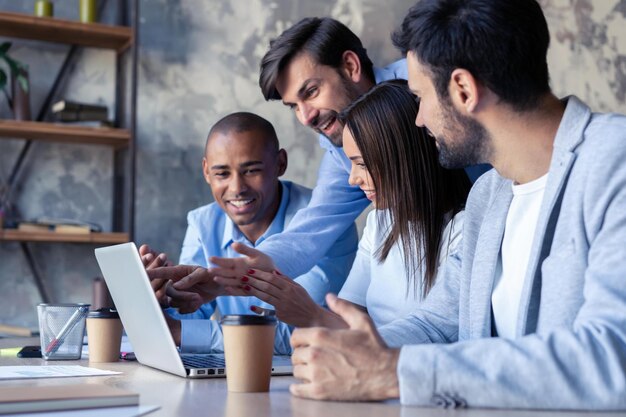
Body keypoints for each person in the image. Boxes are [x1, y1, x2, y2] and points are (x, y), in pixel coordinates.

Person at [281, 0, 626, 409]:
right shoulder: (488, 197)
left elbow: (612, 356)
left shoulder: (613, 162)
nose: (419, 120)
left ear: (463, 89)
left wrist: (392, 372)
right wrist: (348, 347)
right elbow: (438, 323)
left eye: (420, 96)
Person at [214, 81, 470, 330]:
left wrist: (314, 317)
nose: (352, 178)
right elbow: (348, 312)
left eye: (362, 163)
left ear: (402, 158)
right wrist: (300, 312)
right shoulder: (380, 223)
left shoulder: (464, 232)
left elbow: (433, 333)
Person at [142, 112, 358, 355]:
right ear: (205, 171)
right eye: (222, 173)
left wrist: (180, 332)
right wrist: (162, 299)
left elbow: (306, 331)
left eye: (251, 171)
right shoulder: (203, 223)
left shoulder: (326, 221)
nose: (237, 188)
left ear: (280, 164)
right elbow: (190, 312)